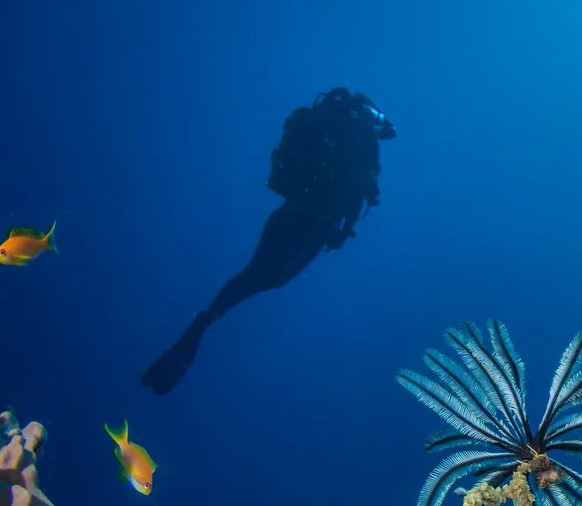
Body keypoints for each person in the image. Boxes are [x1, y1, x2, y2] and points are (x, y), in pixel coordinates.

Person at [141, 88, 396, 394]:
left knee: (251, 274)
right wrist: (342, 232)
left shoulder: (317, 123)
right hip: (316, 226)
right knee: (271, 279)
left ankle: (204, 320)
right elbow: (359, 193)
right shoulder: (362, 139)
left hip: (287, 213)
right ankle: (202, 326)